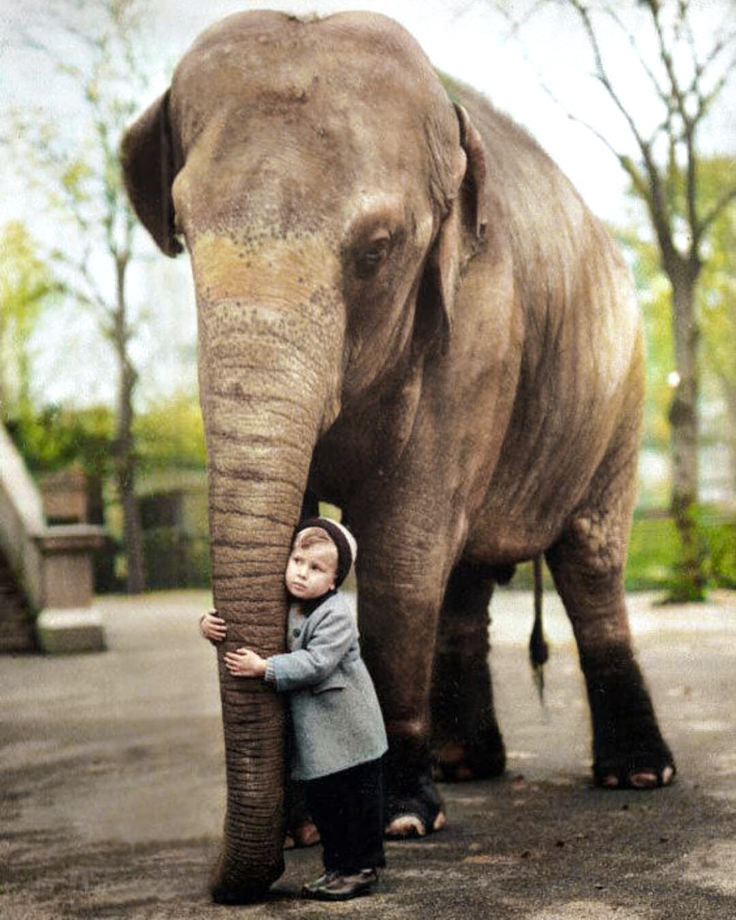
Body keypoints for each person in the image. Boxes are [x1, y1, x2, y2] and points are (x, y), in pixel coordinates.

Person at [199, 517, 387, 901]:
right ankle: (338, 869)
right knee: (327, 807)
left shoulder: (335, 614)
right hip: (323, 741)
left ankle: (360, 871)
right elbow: (250, 622)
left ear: (334, 580)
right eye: (298, 561)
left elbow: (316, 663)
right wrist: (208, 623)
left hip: (350, 736)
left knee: (354, 805)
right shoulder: (294, 603)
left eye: (316, 568)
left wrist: (265, 668)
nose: (302, 574)